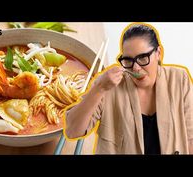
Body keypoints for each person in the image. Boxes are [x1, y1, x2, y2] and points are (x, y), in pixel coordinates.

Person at [64, 23, 193, 154]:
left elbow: (191, 137)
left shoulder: (179, 79)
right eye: (128, 60)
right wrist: (99, 88)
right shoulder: (108, 84)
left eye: (143, 58)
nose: (136, 68)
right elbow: (73, 130)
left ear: (158, 53)